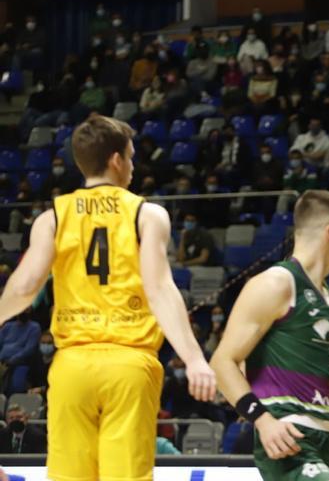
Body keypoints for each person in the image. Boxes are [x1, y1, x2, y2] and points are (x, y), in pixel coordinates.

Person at [0, 115, 215, 480]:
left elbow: (23, 288)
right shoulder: (147, 214)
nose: (132, 166)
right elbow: (160, 289)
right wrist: (194, 358)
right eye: (130, 157)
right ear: (116, 160)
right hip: (129, 365)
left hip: (72, 366)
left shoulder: (53, 217)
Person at [210, 190, 329, 480]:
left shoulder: (328, 297)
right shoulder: (277, 283)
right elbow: (222, 362)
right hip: (292, 438)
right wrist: (263, 420)